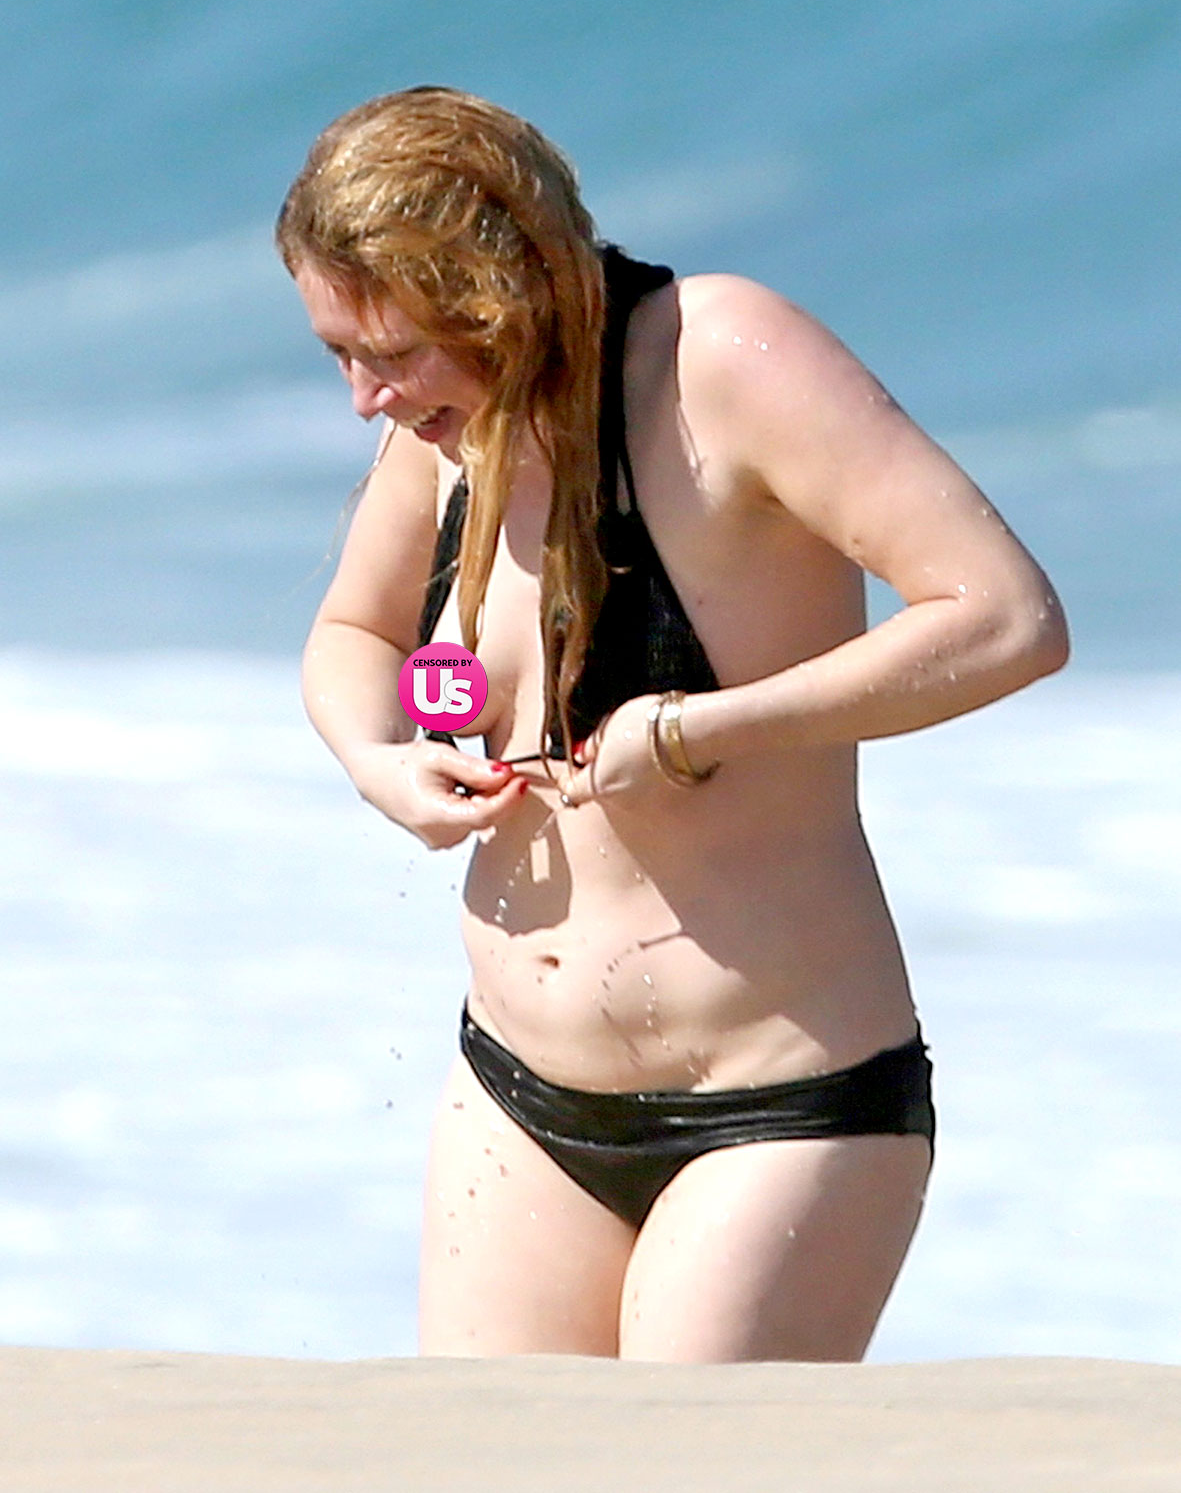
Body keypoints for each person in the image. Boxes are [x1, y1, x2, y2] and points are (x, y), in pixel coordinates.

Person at [276, 86, 1068, 1363]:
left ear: (496, 295)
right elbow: (353, 632)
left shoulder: (722, 362)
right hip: (516, 1100)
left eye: (394, 352)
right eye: (339, 353)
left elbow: (1004, 618)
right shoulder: (451, 424)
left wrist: (708, 729)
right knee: (486, 1456)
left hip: (776, 1108)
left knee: (677, 1451)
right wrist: (379, 761)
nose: (364, 398)